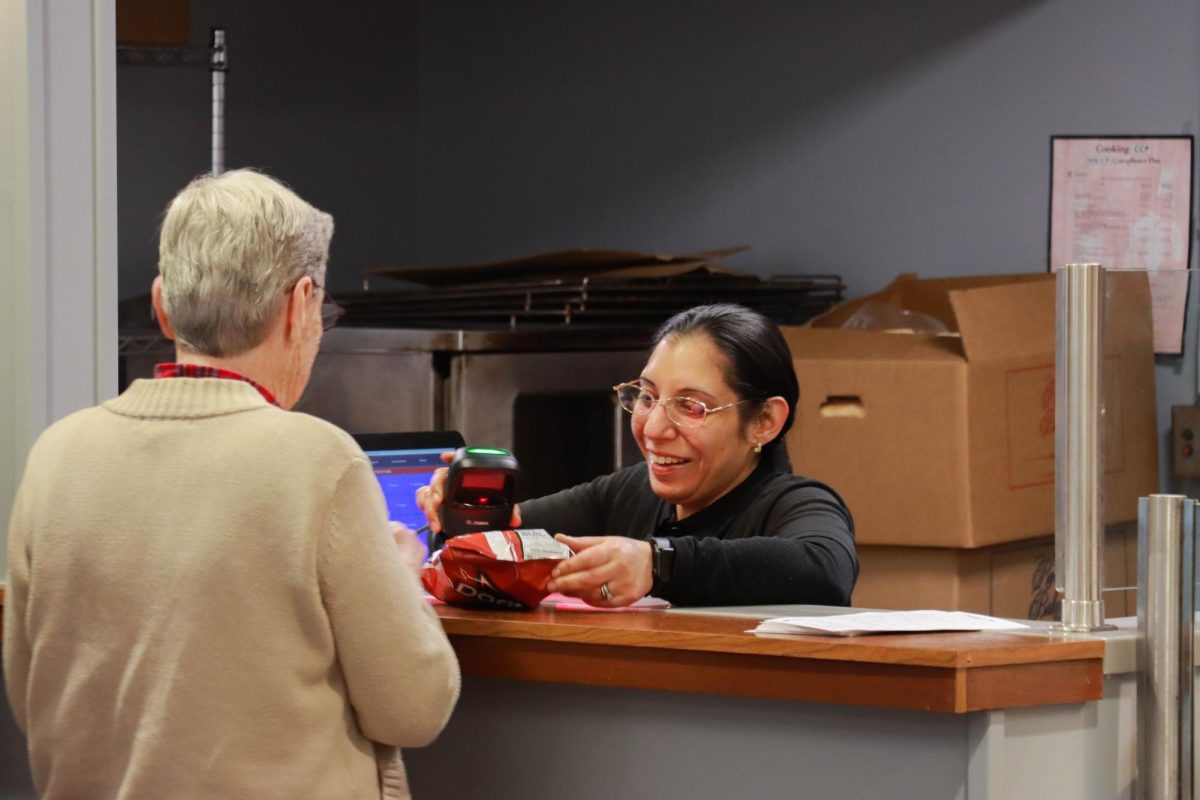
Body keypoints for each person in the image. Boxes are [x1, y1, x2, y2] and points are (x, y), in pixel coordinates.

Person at [3, 169, 459, 800]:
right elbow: (413, 708)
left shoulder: (55, 455)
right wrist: (402, 573)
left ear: (162, 305)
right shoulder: (318, 462)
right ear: (301, 305)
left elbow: (32, 698)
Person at [418, 303, 857, 607]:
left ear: (764, 422)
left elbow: (824, 569)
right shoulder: (630, 492)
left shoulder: (797, 503)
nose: (653, 428)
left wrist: (657, 562)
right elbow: (509, 536)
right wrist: (462, 514)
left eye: (691, 406)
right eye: (647, 397)